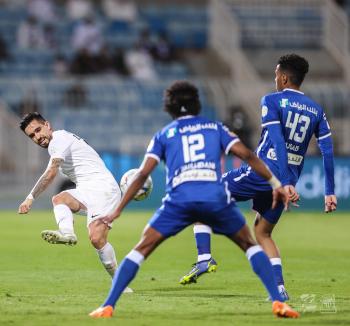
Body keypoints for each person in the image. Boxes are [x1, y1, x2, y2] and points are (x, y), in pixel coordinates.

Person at [89, 80, 299, 318]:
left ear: (168, 108)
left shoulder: (163, 135)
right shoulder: (216, 127)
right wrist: (276, 183)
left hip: (179, 200)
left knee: (141, 248)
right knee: (250, 245)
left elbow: (142, 175)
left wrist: (117, 209)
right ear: (198, 105)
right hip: (215, 197)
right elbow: (247, 155)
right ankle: (278, 301)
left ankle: (108, 305)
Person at [180, 54, 337, 301]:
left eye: (276, 74)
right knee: (263, 233)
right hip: (287, 178)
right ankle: (280, 289)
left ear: (284, 77)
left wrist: (281, 182)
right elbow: (328, 150)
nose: (275, 79)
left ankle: (204, 257)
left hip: (263, 172)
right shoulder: (316, 110)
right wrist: (329, 191)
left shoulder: (272, 101)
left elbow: (276, 141)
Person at [18, 112, 132, 292]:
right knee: (60, 199)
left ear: (47, 125)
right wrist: (30, 197)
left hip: (104, 190)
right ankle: (67, 233)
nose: (37, 137)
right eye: (32, 136)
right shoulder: (57, 144)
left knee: (96, 238)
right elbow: (49, 172)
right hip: (87, 190)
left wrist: (30, 198)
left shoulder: (59, 139)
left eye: (38, 130)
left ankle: (120, 283)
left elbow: (51, 173)